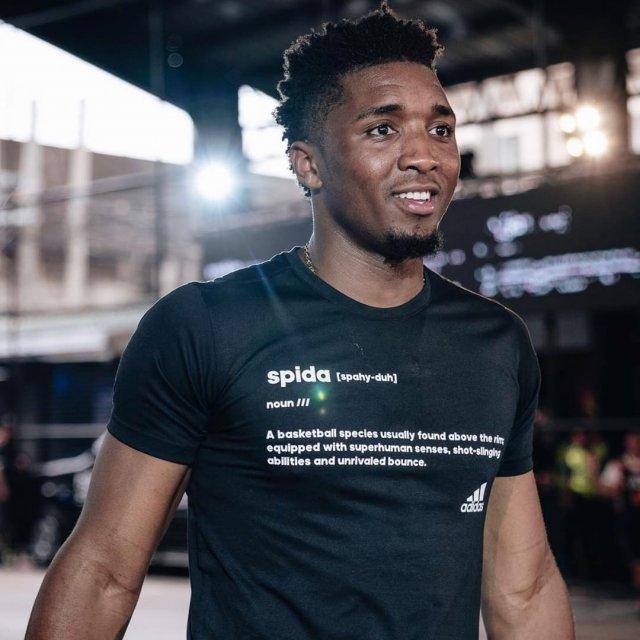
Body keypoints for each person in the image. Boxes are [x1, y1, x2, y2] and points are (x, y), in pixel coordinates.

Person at [26, 3, 574, 639]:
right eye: (382, 130)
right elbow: (103, 571)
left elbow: (524, 590)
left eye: (440, 129)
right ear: (309, 165)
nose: (424, 155)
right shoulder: (204, 327)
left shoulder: (496, 344)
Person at [600, 431, 640, 613]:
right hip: (629, 518)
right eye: (632, 441)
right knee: (634, 558)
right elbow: (603, 487)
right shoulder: (619, 465)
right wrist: (616, 489)